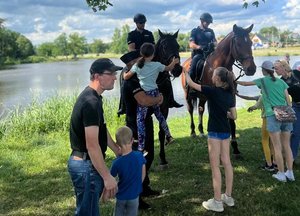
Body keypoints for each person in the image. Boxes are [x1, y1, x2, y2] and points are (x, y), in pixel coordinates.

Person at [68, 58, 123, 215]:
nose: (114, 77)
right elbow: (92, 145)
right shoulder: (90, 102)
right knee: (88, 213)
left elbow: (101, 130)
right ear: (98, 76)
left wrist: (116, 149)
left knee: (89, 210)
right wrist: (107, 177)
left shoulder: (95, 98)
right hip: (86, 167)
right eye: (111, 73)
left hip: (87, 164)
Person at [186, 67, 236, 212]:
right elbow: (234, 116)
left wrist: (185, 71)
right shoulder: (230, 94)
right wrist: (224, 113)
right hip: (226, 132)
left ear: (218, 79)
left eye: (213, 75)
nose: (212, 77)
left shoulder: (212, 91)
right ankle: (228, 196)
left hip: (214, 132)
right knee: (227, 162)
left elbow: (191, 83)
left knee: (215, 167)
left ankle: (217, 202)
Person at [237, 60, 295, 182]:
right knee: (287, 145)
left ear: (263, 70)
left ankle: (281, 173)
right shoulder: (281, 82)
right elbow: (288, 100)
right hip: (287, 113)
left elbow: (246, 84)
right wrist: (288, 110)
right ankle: (290, 172)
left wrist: (233, 80)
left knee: (277, 146)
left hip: (272, 114)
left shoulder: (262, 81)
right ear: (273, 69)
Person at [120, 51, 162, 209]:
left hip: (145, 122)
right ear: (132, 64)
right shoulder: (131, 81)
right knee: (139, 160)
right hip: (135, 126)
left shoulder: (138, 77)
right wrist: (159, 99)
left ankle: (144, 188)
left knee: (148, 156)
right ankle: (135, 197)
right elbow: (143, 101)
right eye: (140, 60)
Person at [124, 43, 178, 151]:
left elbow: (126, 77)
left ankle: (141, 146)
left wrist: (125, 72)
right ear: (153, 54)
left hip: (145, 94)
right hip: (155, 93)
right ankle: (168, 135)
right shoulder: (157, 65)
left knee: (140, 120)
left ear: (141, 53)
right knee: (160, 116)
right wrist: (174, 62)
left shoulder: (137, 66)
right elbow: (168, 68)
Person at [124, 13, 182, 110]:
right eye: (140, 23)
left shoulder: (149, 34)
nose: (143, 24)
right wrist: (143, 57)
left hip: (150, 57)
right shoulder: (131, 35)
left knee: (166, 76)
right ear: (136, 23)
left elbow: (153, 48)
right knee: (127, 78)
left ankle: (171, 100)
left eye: (144, 22)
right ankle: (123, 105)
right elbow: (131, 49)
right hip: (137, 58)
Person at [111, 126, 146, 216]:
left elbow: (111, 179)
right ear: (132, 140)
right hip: (134, 196)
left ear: (117, 144)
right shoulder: (139, 156)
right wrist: (138, 183)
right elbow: (143, 172)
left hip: (121, 196)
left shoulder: (116, 162)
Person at [236, 93, 275, 171]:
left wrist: (251, 108)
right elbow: (249, 97)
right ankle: (275, 162)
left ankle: (269, 165)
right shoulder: (275, 94)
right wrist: (239, 95)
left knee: (265, 141)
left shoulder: (263, 96)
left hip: (267, 120)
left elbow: (256, 106)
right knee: (273, 142)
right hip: (276, 120)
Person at [188, 12, 217, 82]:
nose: (208, 24)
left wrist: (213, 44)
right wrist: (200, 47)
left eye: (209, 23)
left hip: (210, 54)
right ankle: (190, 85)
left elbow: (216, 42)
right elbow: (191, 44)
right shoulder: (195, 31)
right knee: (193, 69)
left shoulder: (211, 31)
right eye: (207, 22)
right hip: (199, 54)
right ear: (201, 21)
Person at [289, 62, 300, 161]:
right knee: (295, 133)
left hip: (296, 106)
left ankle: (292, 156)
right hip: (296, 107)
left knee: (295, 133)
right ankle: (292, 157)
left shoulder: (293, 86)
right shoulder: (293, 86)